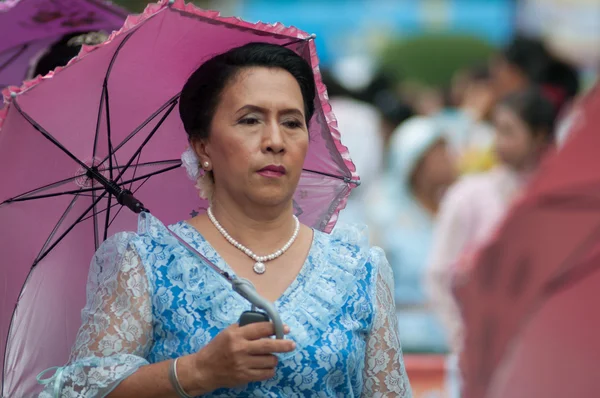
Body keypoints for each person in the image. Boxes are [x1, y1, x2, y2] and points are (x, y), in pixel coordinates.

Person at [39, 43, 412, 397]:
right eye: (250, 120)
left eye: (292, 123)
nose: (274, 140)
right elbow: (79, 389)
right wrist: (197, 371)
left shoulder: (358, 269)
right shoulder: (147, 262)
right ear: (203, 146)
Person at [426, 86, 558, 397]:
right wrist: (462, 336)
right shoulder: (469, 195)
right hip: (479, 351)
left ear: (539, 136)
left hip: (541, 354)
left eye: (509, 131)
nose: (498, 141)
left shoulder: (556, 201)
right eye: (496, 129)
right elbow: (439, 273)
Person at [367, 116, 456, 354]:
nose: (448, 158)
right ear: (414, 162)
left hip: (453, 342)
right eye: (437, 153)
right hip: (404, 347)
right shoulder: (385, 217)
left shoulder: (455, 211)